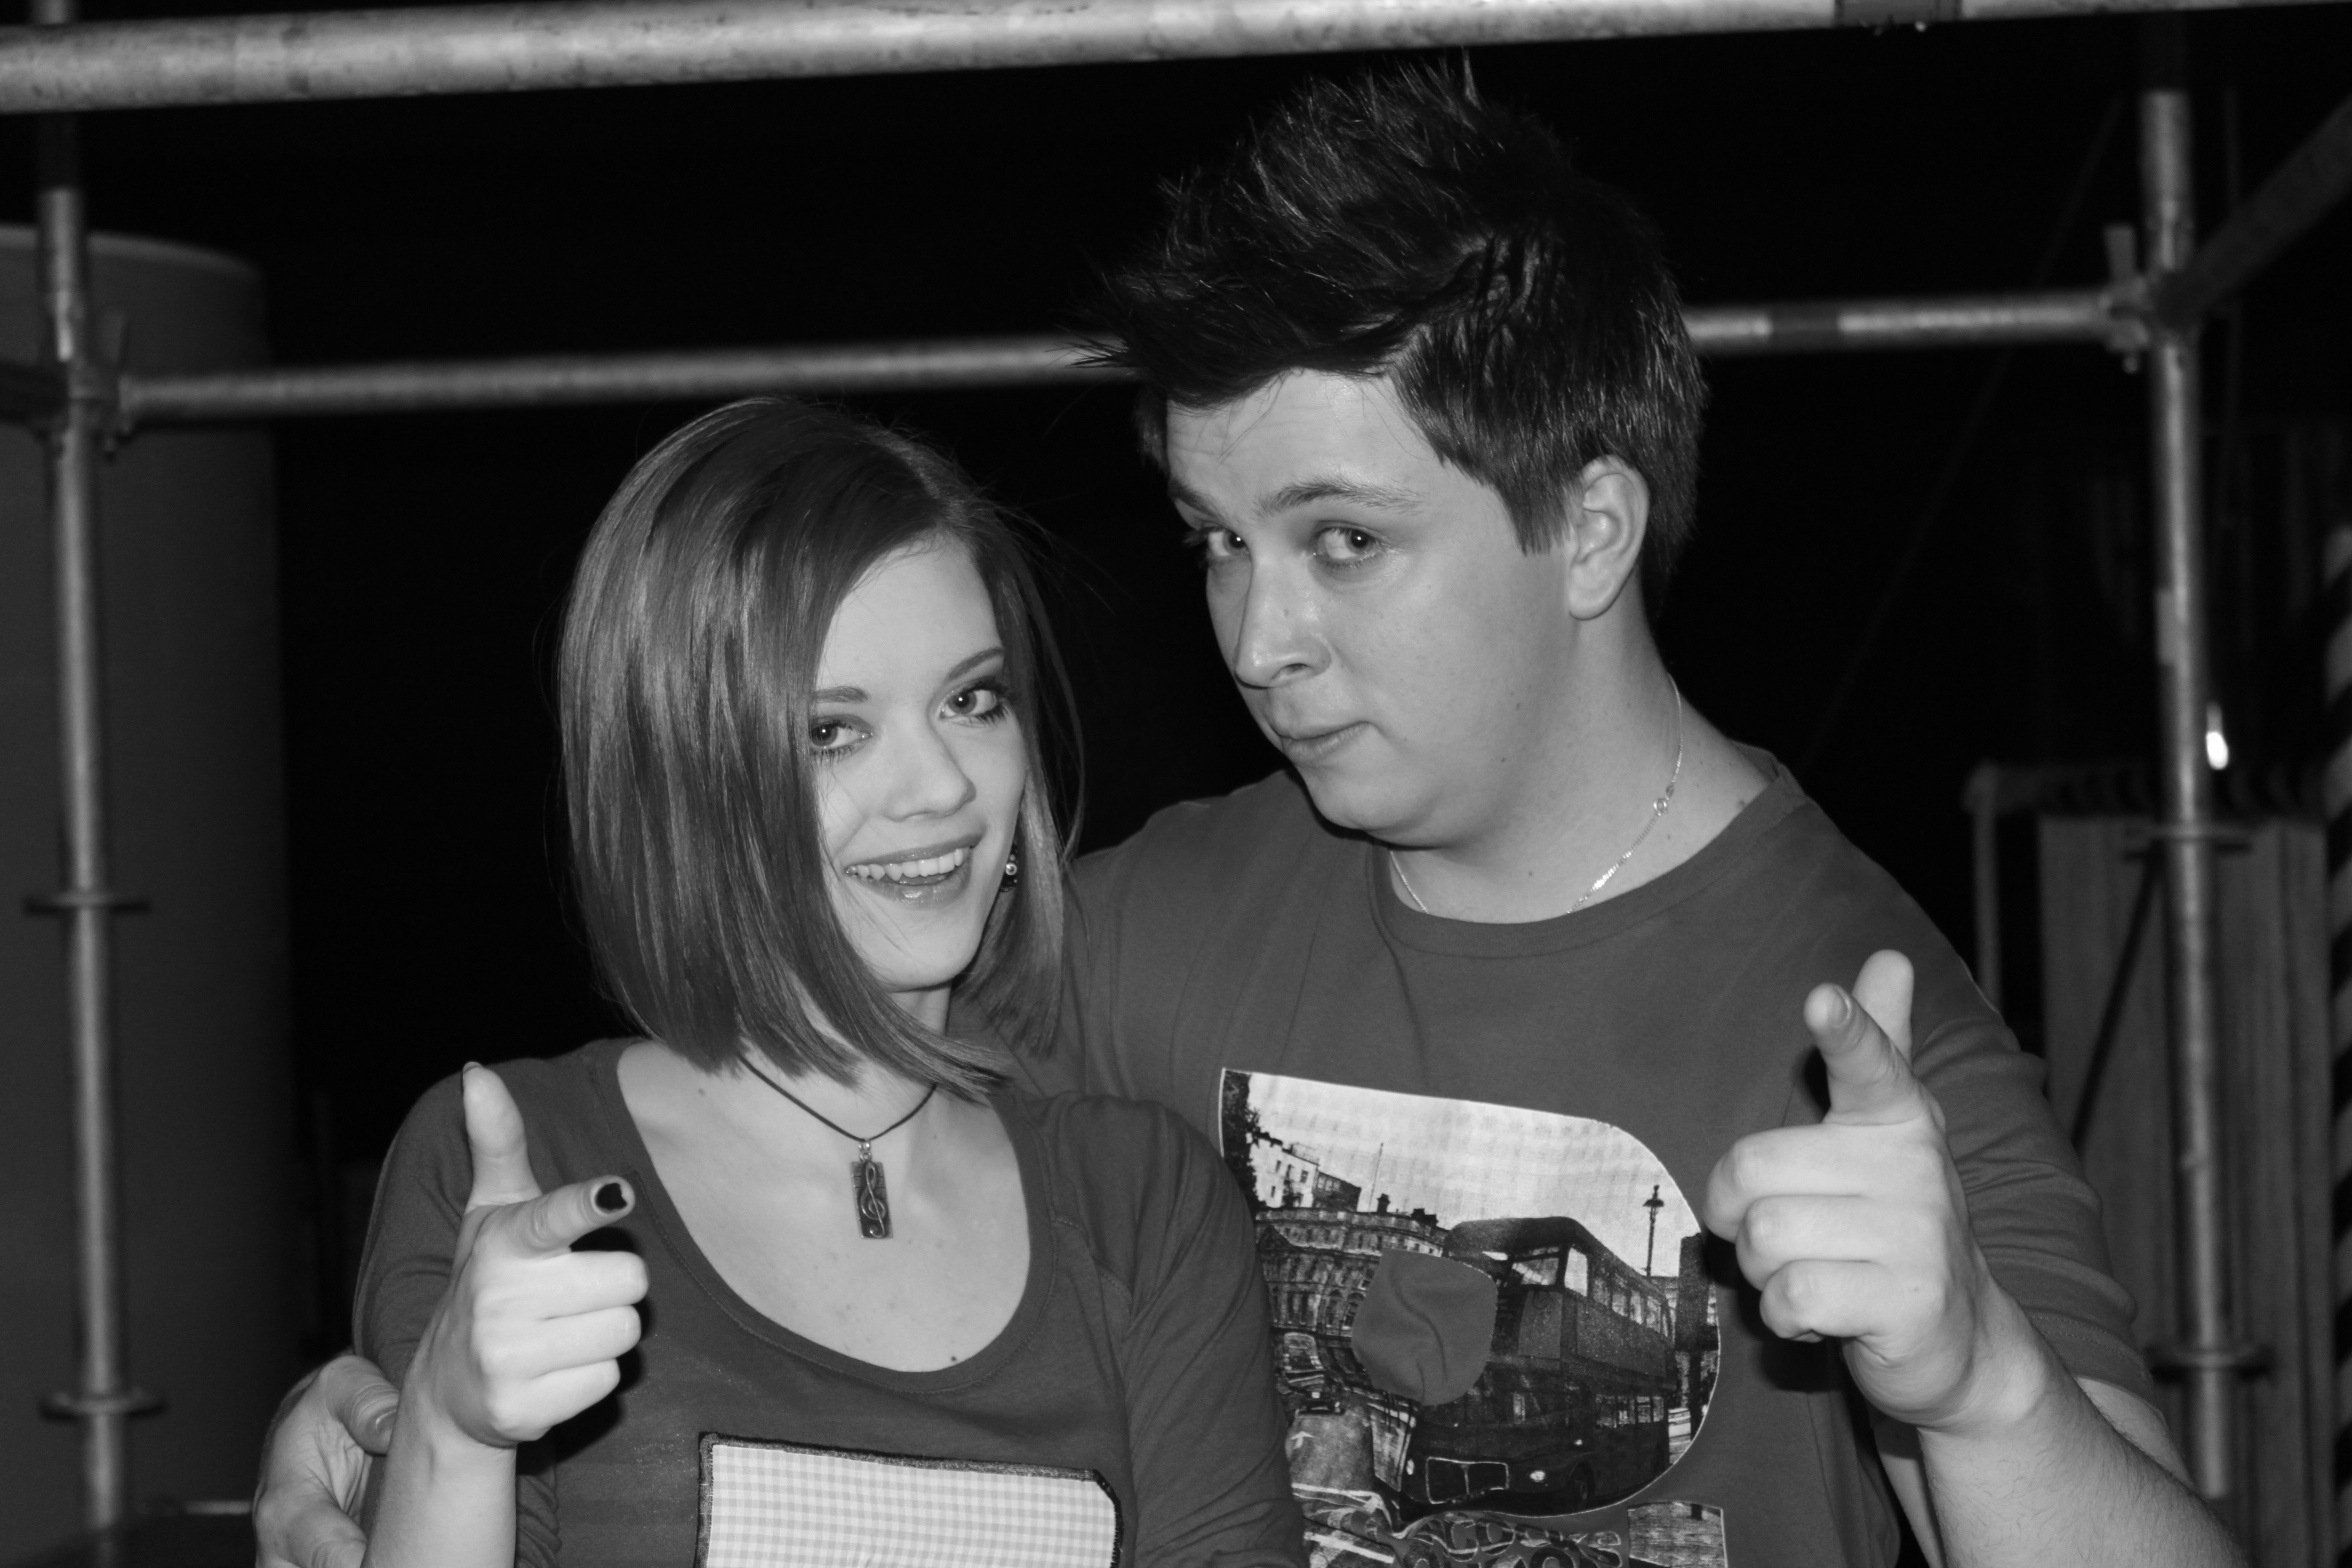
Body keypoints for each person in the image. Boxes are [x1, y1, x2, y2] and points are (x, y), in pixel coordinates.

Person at [256, 71, 2241, 1568]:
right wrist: (393, 1418)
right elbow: (763, 1125)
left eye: (1340, 540)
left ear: (1587, 528)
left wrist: (1972, 1378)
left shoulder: (1845, 1022)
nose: (1255, 636)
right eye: (1216, 539)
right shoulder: (1155, 925)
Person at [342, 398, 1303, 1568]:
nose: (940, 785)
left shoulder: (1143, 1201)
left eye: (971, 699)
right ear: (682, 778)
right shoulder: (518, 1169)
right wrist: (448, 1435)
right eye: (831, 731)